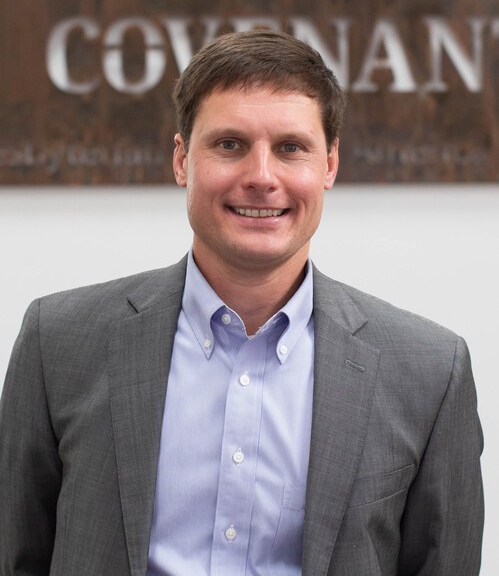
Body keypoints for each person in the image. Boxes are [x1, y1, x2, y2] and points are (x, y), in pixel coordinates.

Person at [0, 30, 483, 576]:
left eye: (290, 148)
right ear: (182, 160)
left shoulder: (429, 373)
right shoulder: (57, 344)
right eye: (229, 144)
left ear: (329, 164)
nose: (261, 177)